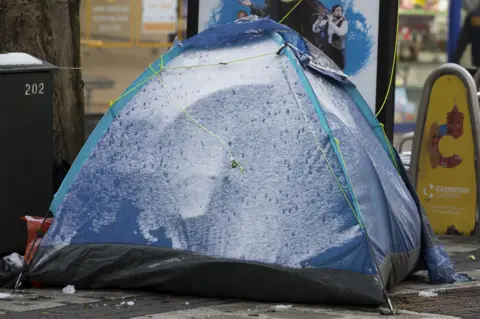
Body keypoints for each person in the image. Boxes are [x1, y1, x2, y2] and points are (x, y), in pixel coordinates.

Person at [238, 0, 318, 43]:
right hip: (279, 37)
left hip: (299, 37)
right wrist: (252, 5)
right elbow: (264, 13)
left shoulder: (303, 2)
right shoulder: (272, 1)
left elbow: (315, 11)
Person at [312, 4, 348, 70]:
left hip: (338, 53)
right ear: (333, 12)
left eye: (340, 10)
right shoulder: (327, 22)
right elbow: (315, 29)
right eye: (337, 10)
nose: (339, 12)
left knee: (338, 69)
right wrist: (318, 20)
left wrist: (330, 22)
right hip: (328, 50)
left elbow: (340, 32)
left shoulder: (344, 23)